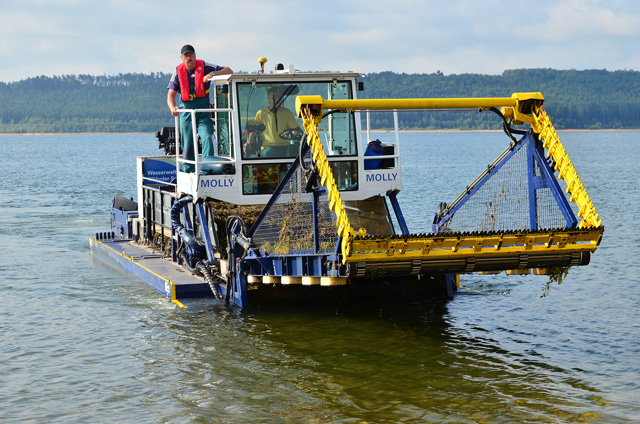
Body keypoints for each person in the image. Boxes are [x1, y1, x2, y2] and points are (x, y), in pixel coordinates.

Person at [167, 44, 233, 172]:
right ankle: (189, 170)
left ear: (195, 56)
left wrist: (212, 74)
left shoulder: (205, 67)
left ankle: (209, 168)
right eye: (186, 56)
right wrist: (172, 107)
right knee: (187, 142)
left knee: (207, 136)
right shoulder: (177, 73)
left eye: (191, 55)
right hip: (186, 111)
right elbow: (170, 94)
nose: (189, 58)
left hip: (203, 110)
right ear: (182, 58)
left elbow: (229, 71)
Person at [244, 85, 302, 158]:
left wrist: (291, 132)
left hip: (286, 147)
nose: (278, 99)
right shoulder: (261, 113)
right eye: (274, 96)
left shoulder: (287, 113)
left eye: (279, 96)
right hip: (269, 147)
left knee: (296, 153)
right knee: (268, 153)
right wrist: (248, 144)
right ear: (269, 99)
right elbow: (254, 131)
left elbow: (298, 130)